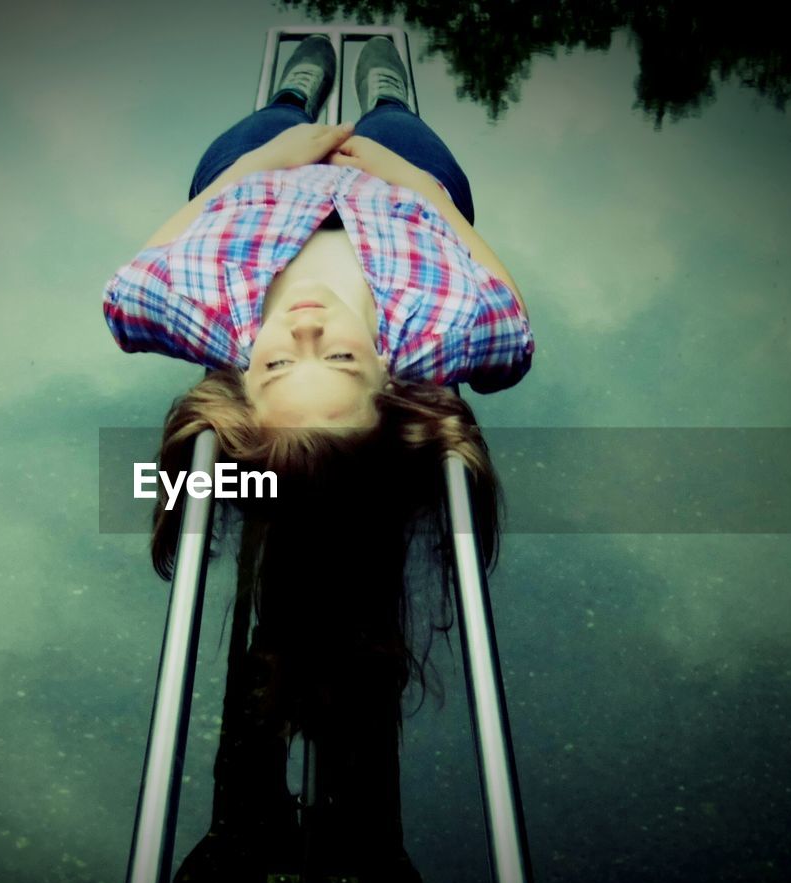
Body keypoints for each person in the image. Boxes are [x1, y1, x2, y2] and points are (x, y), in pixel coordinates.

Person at [102, 34, 532, 573]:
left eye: (277, 365)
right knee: (397, 130)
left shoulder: (202, 310)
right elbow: (514, 328)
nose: (305, 331)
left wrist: (256, 165)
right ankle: (387, 97)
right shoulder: (437, 334)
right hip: (395, 186)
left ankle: (291, 96)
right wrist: (425, 189)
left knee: (267, 125)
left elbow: (125, 297)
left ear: (240, 387)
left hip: (263, 178)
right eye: (340, 360)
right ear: (388, 378)